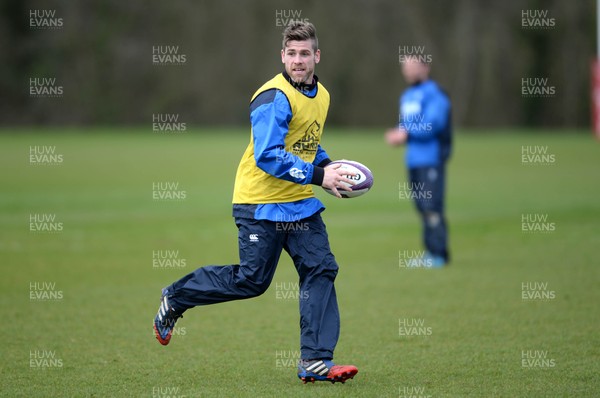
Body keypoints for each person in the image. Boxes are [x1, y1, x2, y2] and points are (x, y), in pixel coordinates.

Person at [153, 21, 358, 384]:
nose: (298, 60)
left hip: (298, 203)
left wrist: (326, 167)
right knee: (252, 281)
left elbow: (306, 142)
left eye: (305, 54)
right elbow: (269, 155)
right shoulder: (272, 97)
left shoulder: (322, 95)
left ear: (317, 56)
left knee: (321, 268)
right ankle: (176, 297)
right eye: (291, 54)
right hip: (258, 202)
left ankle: (315, 360)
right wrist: (317, 176)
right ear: (282, 56)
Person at [385, 57, 452, 267]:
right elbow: (405, 123)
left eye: (413, 67)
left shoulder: (435, 93)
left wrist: (405, 134)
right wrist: (398, 133)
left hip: (431, 159)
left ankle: (439, 253)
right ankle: (430, 253)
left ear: (426, 67)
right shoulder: (407, 95)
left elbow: (433, 124)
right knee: (422, 207)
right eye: (406, 67)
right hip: (413, 160)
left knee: (432, 206)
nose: (409, 71)